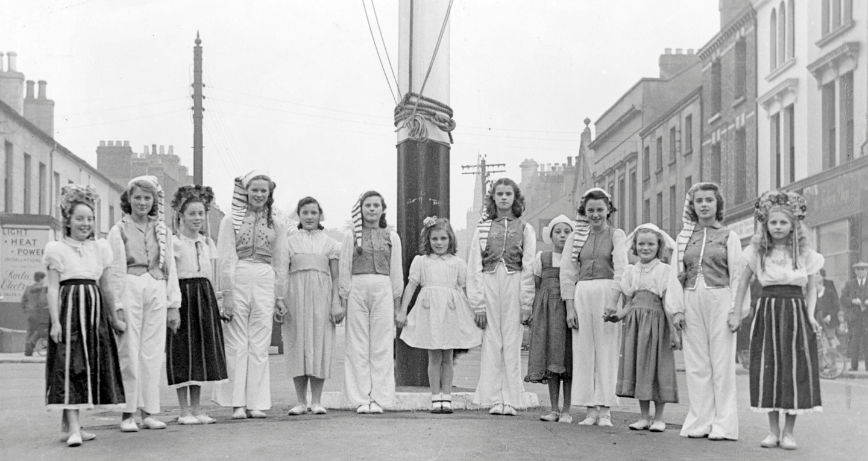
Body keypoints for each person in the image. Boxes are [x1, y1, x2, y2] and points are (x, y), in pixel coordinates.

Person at [733, 190, 823, 450]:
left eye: (783, 222)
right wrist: (737, 312)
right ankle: (773, 431)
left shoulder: (806, 254)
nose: (778, 227)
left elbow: (812, 289)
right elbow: (742, 284)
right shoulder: (757, 252)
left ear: (794, 224)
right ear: (766, 225)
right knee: (769, 368)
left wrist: (810, 316)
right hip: (768, 310)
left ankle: (789, 433)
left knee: (795, 370)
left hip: (795, 311)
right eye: (773, 222)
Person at [665, 182, 749, 441]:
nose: (703, 204)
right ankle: (700, 421)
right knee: (696, 363)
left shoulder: (729, 236)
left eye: (708, 200)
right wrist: (676, 310)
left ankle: (723, 425)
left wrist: (736, 311)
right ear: (692, 206)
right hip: (691, 299)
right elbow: (674, 276)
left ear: (717, 204)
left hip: (720, 299)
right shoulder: (683, 238)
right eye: (698, 200)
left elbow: (737, 275)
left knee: (722, 364)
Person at [44, 185, 126, 447]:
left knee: (90, 366)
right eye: (79, 218)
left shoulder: (99, 248)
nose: (85, 224)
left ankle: (74, 426)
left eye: (89, 219)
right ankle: (74, 429)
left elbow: (107, 286)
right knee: (71, 365)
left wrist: (114, 318)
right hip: (69, 312)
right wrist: (56, 322)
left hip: (94, 313)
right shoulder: (56, 248)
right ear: (67, 220)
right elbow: (52, 287)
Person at [108, 176, 181, 432]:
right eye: (137, 197)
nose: (142, 202)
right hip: (130, 285)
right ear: (128, 199)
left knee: (152, 351)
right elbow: (114, 270)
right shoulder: (118, 230)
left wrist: (174, 304)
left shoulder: (163, 230)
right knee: (129, 349)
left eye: (147, 198)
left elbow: (170, 268)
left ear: (154, 202)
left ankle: (149, 412)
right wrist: (116, 306)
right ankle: (128, 413)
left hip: (156, 286)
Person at [213, 171, 288, 419]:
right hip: (240, 273)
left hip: (265, 278)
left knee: (259, 342)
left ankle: (255, 402)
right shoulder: (230, 221)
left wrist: (280, 296)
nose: (258, 194)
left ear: (269, 194)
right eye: (253, 190)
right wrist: (228, 294)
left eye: (263, 191)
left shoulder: (276, 223)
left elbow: (280, 259)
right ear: (245, 192)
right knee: (236, 341)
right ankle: (237, 404)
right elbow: (225, 257)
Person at [396, 217, 482, 413]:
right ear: (428, 240)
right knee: (434, 356)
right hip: (429, 310)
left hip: (451, 311)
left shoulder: (457, 263)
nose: (439, 243)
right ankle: (435, 396)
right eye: (434, 239)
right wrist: (403, 310)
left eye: (443, 238)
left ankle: (447, 396)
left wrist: (475, 311)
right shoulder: (421, 261)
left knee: (447, 357)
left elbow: (466, 288)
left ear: (450, 240)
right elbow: (411, 286)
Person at [468, 178, 536, 416]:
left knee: (512, 341)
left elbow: (528, 267)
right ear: (493, 198)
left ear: (515, 198)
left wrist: (526, 302)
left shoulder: (525, 228)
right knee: (492, 340)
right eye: (500, 193)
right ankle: (494, 398)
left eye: (509, 193)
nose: (504, 197)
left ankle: (512, 398)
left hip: (514, 283)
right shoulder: (483, 228)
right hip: (489, 282)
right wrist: (478, 303)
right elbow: (474, 265)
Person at [560, 188, 627, 426]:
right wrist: (570, 309)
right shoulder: (575, 237)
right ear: (583, 212)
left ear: (608, 210)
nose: (595, 215)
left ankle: (605, 410)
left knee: (607, 350)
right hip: (582, 294)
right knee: (584, 351)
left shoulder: (617, 235)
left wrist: (613, 302)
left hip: (608, 292)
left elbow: (621, 268)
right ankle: (590, 410)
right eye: (591, 210)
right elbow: (567, 274)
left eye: (600, 210)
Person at [166, 185, 227, 425]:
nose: (197, 218)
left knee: (200, 352)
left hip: (204, 296)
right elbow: (171, 275)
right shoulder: (174, 243)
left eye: (200, 213)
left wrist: (217, 302)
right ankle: (184, 411)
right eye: (191, 214)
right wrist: (172, 305)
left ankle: (197, 409)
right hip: (183, 296)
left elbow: (212, 275)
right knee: (183, 351)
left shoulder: (207, 242)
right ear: (181, 215)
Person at [338, 191, 404, 414]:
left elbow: (397, 271)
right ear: (361, 209)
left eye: (376, 205)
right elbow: (344, 268)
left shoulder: (392, 237)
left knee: (382, 344)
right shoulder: (350, 236)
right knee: (357, 344)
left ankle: (380, 398)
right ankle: (360, 398)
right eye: (368, 205)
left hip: (383, 288)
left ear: (383, 209)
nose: (372, 209)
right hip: (357, 288)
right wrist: (343, 299)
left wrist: (397, 303)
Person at [613, 224, 680, 432]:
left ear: (658, 246)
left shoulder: (664, 270)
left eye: (650, 244)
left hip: (658, 324)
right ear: (635, 246)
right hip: (636, 324)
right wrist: (617, 316)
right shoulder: (632, 271)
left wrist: (674, 332)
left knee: (658, 368)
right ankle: (643, 417)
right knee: (640, 367)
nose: (645, 247)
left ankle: (659, 418)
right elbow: (630, 303)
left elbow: (669, 304)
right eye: (641, 243)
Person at [283, 197, 341, 416]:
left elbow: (336, 277)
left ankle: (316, 400)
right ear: (299, 215)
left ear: (320, 215)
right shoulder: (289, 242)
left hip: (322, 297)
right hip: (295, 296)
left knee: (319, 344)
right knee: (298, 343)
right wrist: (281, 300)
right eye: (305, 213)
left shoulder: (330, 244)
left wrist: (336, 302)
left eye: (313, 213)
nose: (309, 217)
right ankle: (300, 401)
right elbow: (282, 272)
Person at [524, 214, 575, 423]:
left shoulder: (574, 259)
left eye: (567, 232)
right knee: (552, 359)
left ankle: (567, 410)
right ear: (550, 235)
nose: (562, 236)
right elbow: (536, 286)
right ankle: (554, 408)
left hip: (568, 311)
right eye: (558, 232)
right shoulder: (542, 257)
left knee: (567, 360)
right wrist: (534, 311)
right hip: (547, 313)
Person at [840, 261, 868, 372]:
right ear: (855, 271)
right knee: (854, 342)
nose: (860, 272)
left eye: (863, 269)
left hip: (867, 317)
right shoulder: (850, 284)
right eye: (858, 270)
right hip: (854, 318)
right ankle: (854, 366)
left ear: (867, 271)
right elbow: (842, 299)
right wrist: (852, 301)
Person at [21, 271, 49, 356]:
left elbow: (23, 301)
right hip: (40, 313)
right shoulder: (44, 288)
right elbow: (43, 301)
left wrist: (26, 310)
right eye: (43, 278)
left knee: (30, 331)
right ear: (41, 279)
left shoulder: (28, 288)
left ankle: (28, 351)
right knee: (41, 331)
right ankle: (42, 347)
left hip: (30, 313)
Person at [815, 269, 840, 351]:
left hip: (828, 318)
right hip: (817, 318)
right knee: (818, 340)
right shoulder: (813, 293)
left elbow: (837, 306)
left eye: (817, 274)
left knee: (830, 339)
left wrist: (830, 315)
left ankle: (832, 361)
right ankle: (822, 362)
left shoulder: (829, 291)